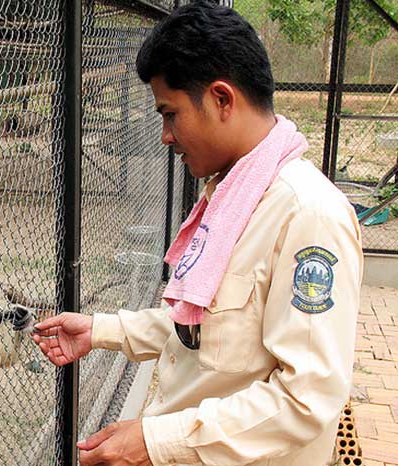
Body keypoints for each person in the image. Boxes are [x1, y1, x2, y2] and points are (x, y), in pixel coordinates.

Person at [31, 2, 363, 466]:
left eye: (170, 114)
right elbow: (208, 326)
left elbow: (306, 401)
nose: (165, 135)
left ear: (222, 99)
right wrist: (100, 330)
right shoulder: (231, 198)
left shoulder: (308, 216)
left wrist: (156, 441)